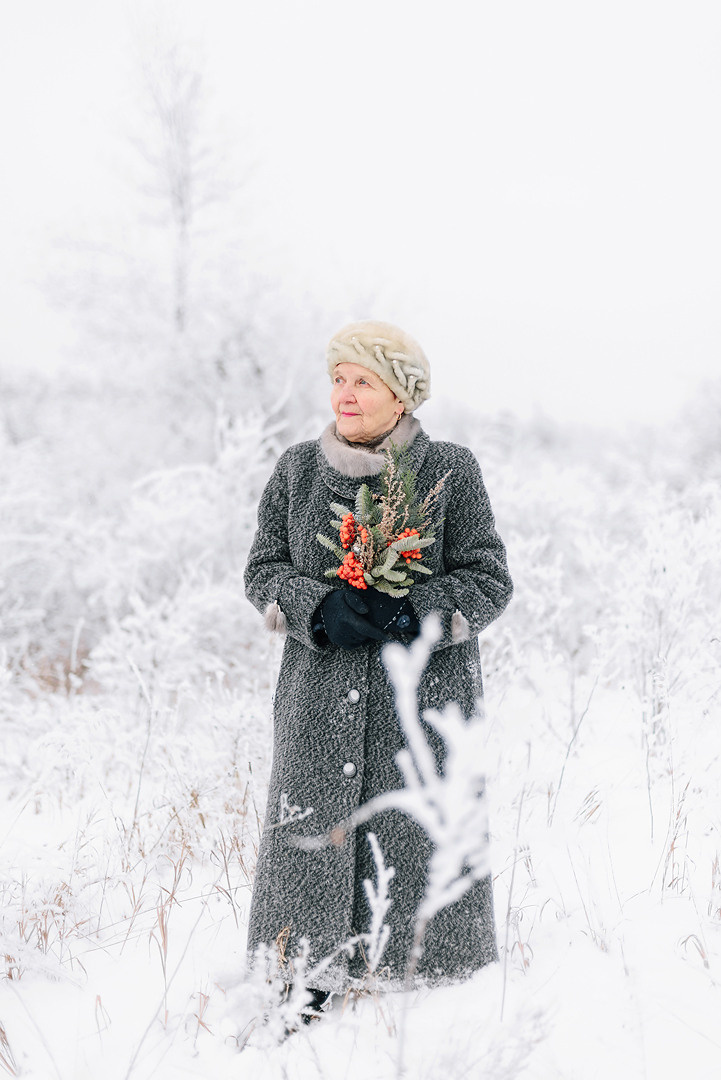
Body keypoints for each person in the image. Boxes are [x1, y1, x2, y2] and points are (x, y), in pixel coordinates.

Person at [243, 320, 513, 1014]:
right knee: (309, 832)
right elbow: (262, 572)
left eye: (362, 380)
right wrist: (314, 608)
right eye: (338, 378)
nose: (345, 393)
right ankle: (303, 972)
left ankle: (423, 989)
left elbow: (488, 582)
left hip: (419, 703)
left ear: (402, 395)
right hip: (315, 700)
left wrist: (414, 615)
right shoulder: (297, 470)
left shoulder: (449, 469)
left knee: (414, 828)